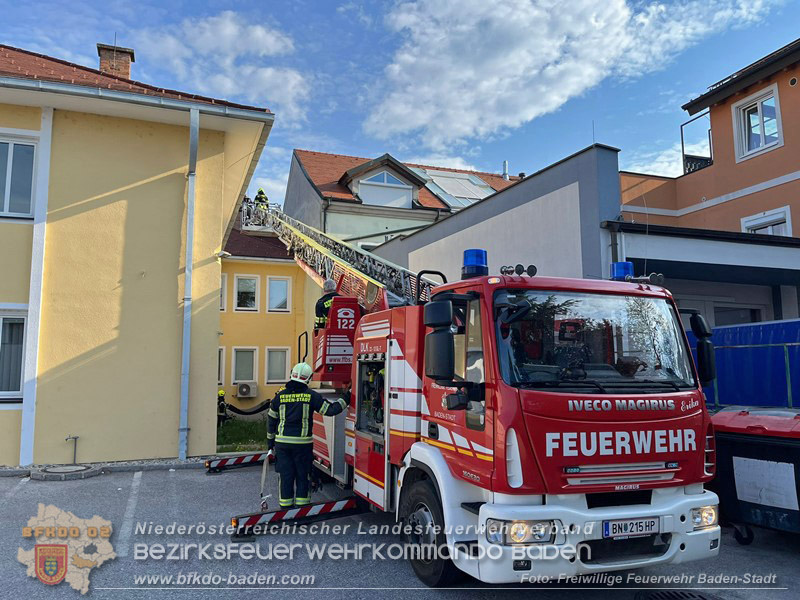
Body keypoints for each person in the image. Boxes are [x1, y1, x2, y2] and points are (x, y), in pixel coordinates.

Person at [266, 363, 349, 508]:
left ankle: (286, 509)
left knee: (286, 476)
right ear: (309, 378)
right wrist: (347, 397)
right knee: (303, 476)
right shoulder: (311, 396)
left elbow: (271, 421)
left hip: (282, 445)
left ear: (292, 374)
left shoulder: (280, 396)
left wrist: (270, 443)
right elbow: (330, 410)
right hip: (302, 445)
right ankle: (302, 510)